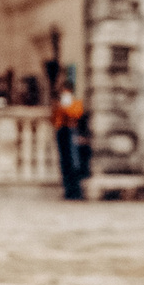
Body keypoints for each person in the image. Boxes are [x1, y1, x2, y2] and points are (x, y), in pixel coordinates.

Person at [52, 68, 90, 201]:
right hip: (62, 132)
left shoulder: (76, 103)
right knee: (65, 163)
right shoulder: (59, 104)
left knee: (74, 163)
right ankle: (68, 190)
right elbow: (55, 119)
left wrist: (66, 106)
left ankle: (75, 191)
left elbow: (76, 115)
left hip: (71, 132)